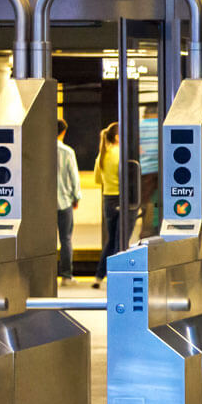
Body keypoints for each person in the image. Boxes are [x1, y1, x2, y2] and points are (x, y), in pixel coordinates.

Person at [93, 122, 122, 288]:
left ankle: (99, 276)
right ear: (117, 137)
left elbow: (98, 180)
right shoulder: (121, 154)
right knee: (120, 239)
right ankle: (117, 277)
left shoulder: (102, 155)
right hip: (121, 198)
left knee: (111, 239)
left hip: (107, 200)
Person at [56, 119, 81, 284]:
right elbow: (74, 177)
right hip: (64, 202)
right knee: (65, 239)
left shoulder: (40, 149)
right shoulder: (67, 151)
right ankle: (66, 276)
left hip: (43, 204)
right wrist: (76, 197)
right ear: (63, 132)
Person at [138, 105, 160, 239]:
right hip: (159, 169)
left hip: (144, 170)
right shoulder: (160, 125)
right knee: (158, 202)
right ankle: (154, 230)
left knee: (146, 203)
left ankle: (146, 232)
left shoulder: (139, 127)